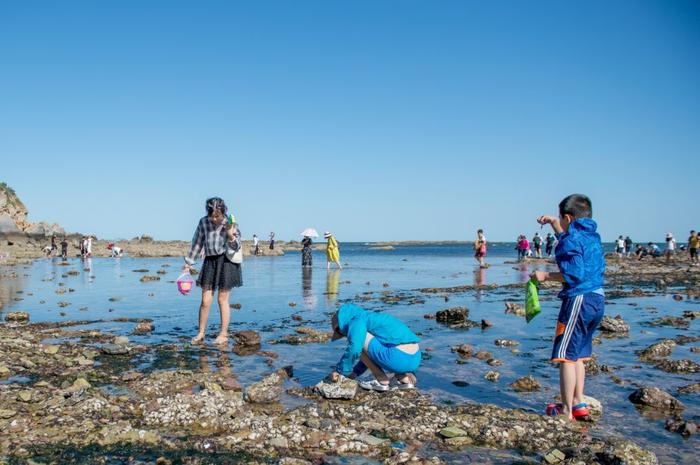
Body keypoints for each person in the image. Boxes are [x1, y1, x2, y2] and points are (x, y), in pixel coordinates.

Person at [532, 194, 605, 422]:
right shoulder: (592, 236)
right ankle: (578, 402)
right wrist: (555, 223)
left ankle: (565, 411)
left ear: (568, 217)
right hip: (596, 299)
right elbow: (571, 239)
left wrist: (545, 275)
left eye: (561, 221)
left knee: (565, 357)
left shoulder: (570, 240)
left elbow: (574, 272)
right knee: (579, 355)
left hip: (578, 299)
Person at [183, 197, 243, 346]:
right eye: (212, 215)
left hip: (226, 262)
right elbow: (197, 243)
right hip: (209, 261)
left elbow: (236, 246)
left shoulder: (230, 223)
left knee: (222, 299)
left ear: (223, 212)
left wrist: (230, 235)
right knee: (205, 300)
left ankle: (223, 334)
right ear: (208, 213)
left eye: (218, 215)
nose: (215, 218)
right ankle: (201, 333)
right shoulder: (203, 222)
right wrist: (188, 263)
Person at [328, 303, 421, 391]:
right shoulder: (371, 318)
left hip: (398, 358)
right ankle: (404, 380)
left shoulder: (357, 320)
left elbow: (356, 348)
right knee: (371, 341)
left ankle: (382, 381)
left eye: (339, 330)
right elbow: (370, 353)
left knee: (356, 342)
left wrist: (340, 371)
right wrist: (355, 373)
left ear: (342, 322)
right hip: (415, 358)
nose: (342, 333)